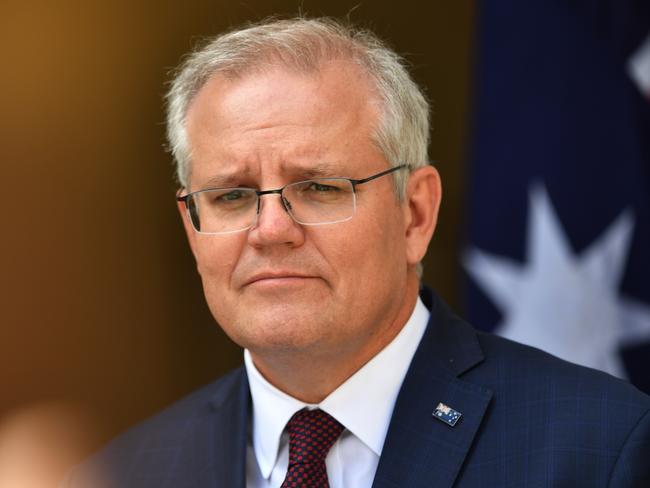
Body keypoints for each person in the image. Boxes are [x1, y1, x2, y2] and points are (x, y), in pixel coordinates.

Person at [65, 16, 650, 487]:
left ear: (415, 214)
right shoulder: (124, 472)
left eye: (319, 187)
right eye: (233, 196)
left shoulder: (600, 446)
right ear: (191, 226)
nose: (270, 230)